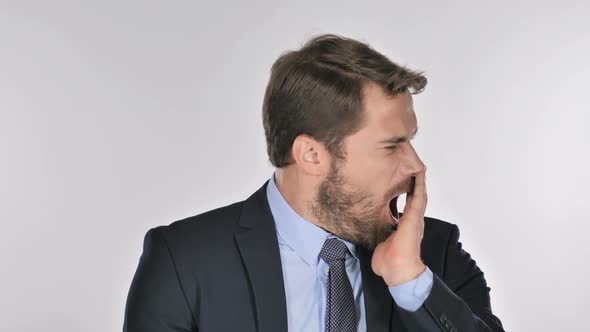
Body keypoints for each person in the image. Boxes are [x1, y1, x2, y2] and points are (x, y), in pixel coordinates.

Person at [123, 34, 505, 332]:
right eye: (392, 146)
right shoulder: (185, 260)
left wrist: (410, 280)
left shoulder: (434, 255)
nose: (416, 166)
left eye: (411, 141)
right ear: (311, 155)